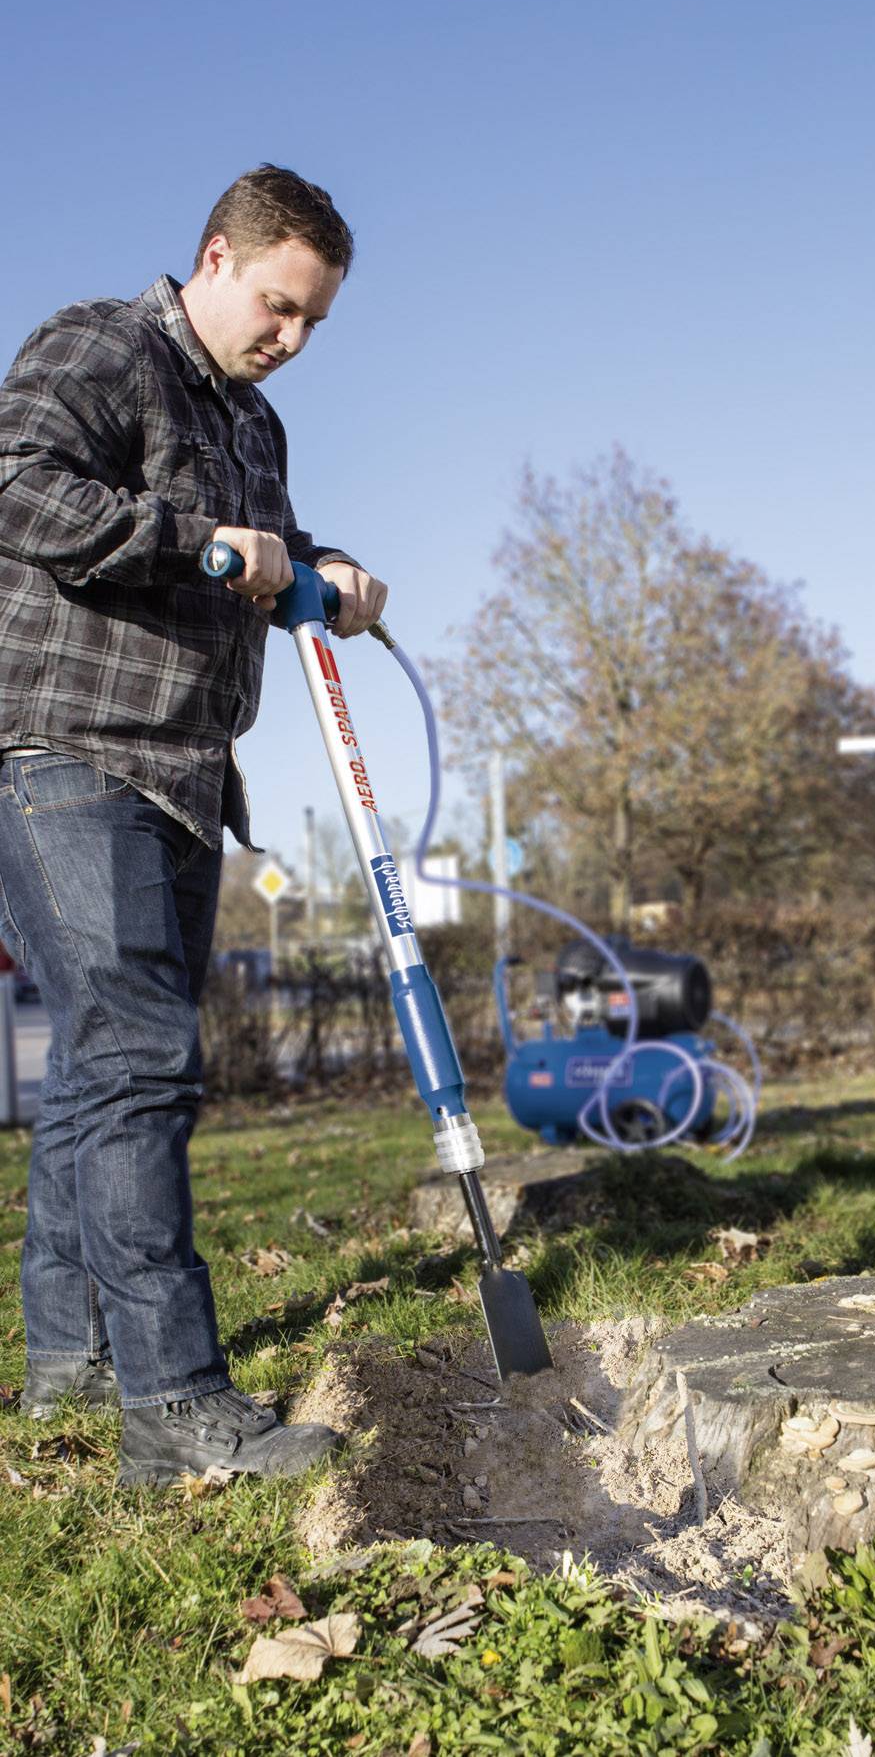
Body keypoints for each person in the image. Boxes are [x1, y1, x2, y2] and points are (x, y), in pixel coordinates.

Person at [0, 165, 386, 1484]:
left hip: (187, 775)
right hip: (65, 750)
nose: (292, 339)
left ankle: (71, 1358)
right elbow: (21, 488)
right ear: (216, 258)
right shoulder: (101, 347)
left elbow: (269, 543)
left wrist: (321, 570)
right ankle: (172, 1406)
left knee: (108, 1062)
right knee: (143, 1057)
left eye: (315, 324)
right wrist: (200, 545)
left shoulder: (254, 429)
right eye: (279, 306)